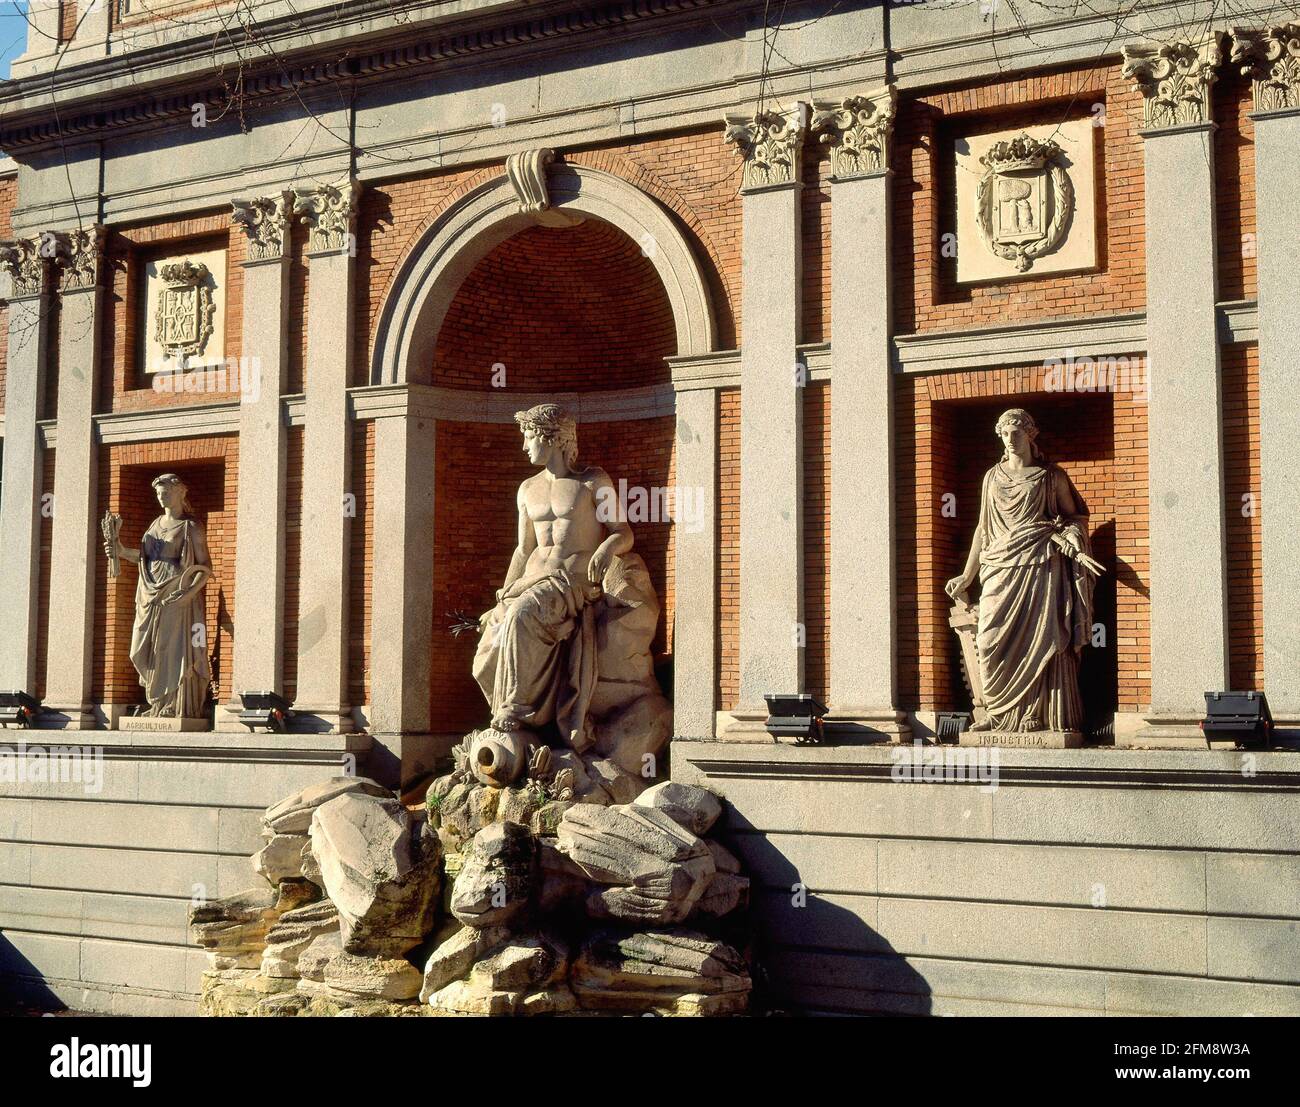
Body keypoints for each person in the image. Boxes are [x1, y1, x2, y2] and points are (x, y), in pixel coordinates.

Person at [473, 404, 632, 750]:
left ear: (553, 438)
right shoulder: (527, 488)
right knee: (492, 636)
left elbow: (624, 532)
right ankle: (518, 709)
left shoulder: (592, 482)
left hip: (568, 583)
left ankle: (514, 710)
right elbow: (522, 549)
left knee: (519, 616)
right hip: (531, 581)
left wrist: (605, 550)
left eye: (530, 438)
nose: (524, 447)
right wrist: (502, 594)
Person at [945, 409, 1103, 733]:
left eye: (1017, 432)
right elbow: (982, 528)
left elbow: (1075, 518)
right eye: (1005, 433)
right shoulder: (991, 477)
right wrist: (968, 574)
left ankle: (1035, 712)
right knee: (988, 638)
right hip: (998, 567)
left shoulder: (1051, 476)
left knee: (1041, 638)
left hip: (1041, 566)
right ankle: (995, 711)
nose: (1011, 439)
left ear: (1031, 434)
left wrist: (1071, 538)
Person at [104, 473, 213, 718]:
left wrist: (188, 594)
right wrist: (120, 549)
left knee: (171, 648)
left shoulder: (191, 527)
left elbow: (205, 567)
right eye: (158, 493)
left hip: (176, 596)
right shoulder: (154, 525)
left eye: (166, 492)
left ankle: (175, 705)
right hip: (148, 594)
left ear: (180, 492)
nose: (161, 496)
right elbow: (144, 558)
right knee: (143, 648)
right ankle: (156, 703)